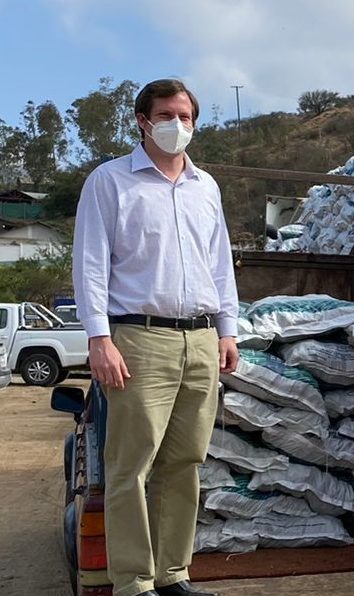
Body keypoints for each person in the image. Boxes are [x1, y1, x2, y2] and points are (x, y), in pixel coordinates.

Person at [73, 79, 239, 596]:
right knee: (131, 465)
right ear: (143, 120)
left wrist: (227, 330)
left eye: (187, 116)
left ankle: (173, 575)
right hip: (138, 340)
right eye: (167, 115)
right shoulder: (110, 181)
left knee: (184, 463)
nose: (178, 125)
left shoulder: (204, 186)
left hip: (200, 340)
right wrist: (100, 338)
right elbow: (91, 264)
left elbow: (220, 265)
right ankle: (134, 582)